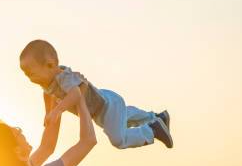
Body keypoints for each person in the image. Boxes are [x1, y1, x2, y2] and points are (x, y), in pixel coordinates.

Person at [19, 39, 173, 150]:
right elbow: (48, 97)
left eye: (32, 73)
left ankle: (153, 130)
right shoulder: (49, 86)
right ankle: (157, 117)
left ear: (50, 65)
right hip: (105, 104)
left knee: (118, 140)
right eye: (26, 75)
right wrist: (48, 115)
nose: (30, 79)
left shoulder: (63, 77)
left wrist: (57, 111)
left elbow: (76, 94)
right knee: (124, 118)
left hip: (106, 108)